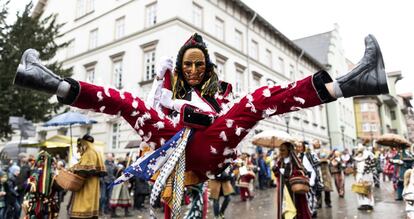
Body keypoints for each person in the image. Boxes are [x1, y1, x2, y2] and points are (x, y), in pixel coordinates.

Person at [14, 33, 388, 214]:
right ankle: (50, 82)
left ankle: (347, 84)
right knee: (127, 102)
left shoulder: (222, 93)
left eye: (199, 65)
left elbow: (228, 119)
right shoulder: (165, 90)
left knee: (256, 101)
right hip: (171, 150)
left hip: (209, 147)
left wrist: (203, 112)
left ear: (207, 67)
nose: (192, 70)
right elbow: (151, 113)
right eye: (186, 65)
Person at [69, 134, 106, 219]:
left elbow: (84, 170)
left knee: (84, 207)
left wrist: (73, 169)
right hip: (93, 184)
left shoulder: (89, 152)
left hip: (87, 185)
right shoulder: (96, 150)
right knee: (91, 206)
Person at [273, 142, 312, 219]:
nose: (281, 152)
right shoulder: (280, 161)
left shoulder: (295, 161)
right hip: (283, 189)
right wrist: (276, 169)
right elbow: (277, 174)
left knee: (296, 207)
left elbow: (302, 171)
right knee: (285, 209)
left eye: (283, 150)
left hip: (294, 189)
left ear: (289, 150)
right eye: (280, 150)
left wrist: (287, 172)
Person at [23, 151, 60, 219]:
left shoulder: (35, 174)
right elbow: (59, 188)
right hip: (47, 205)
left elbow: (25, 186)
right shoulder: (53, 175)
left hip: (36, 205)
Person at [296, 141, 321, 218]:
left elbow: (314, 167)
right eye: (297, 146)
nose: (298, 148)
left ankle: (313, 210)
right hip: (302, 178)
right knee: (305, 196)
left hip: (310, 177)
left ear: (304, 147)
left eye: (300, 146)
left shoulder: (310, 155)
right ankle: (308, 211)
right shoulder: (297, 156)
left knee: (312, 195)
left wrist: (313, 178)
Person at [353, 144, 376, 211]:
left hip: (366, 175)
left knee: (367, 189)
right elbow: (355, 167)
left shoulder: (369, 156)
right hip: (360, 175)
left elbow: (372, 166)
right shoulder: (356, 158)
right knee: (360, 189)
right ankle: (363, 204)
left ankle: (369, 204)